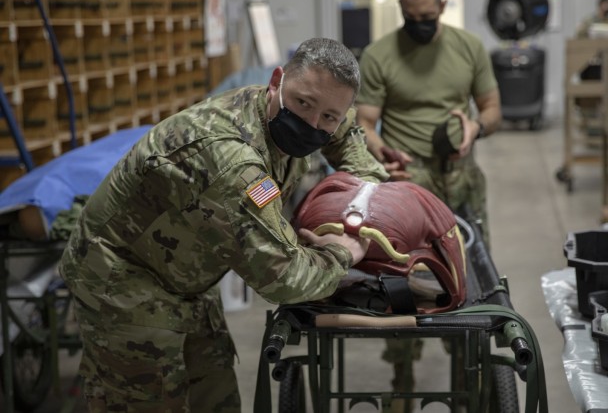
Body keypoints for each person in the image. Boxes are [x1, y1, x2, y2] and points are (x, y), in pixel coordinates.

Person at [58, 37, 388, 412]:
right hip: (122, 278)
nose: (312, 124)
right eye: (303, 104)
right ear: (277, 81)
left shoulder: (314, 106)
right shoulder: (232, 161)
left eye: (327, 116)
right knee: (146, 400)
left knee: (215, 398)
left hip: (188, 272)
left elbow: (343, 129)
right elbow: (283, 279)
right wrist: (340, 254)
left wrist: (365, 188)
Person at [354, 0, 501, 409]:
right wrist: (379, 149)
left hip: (460, 174)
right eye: (410, 17)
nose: (419, 25)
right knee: (401, 281)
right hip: (408, 178)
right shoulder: (380, 54)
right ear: (401, 7)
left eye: (427, 18)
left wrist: (476, 128)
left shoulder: (468, 48)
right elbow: (365, 120)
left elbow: (492, 108)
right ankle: (402, 374)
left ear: (442, 6)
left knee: (469, 278)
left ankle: (466, 373)